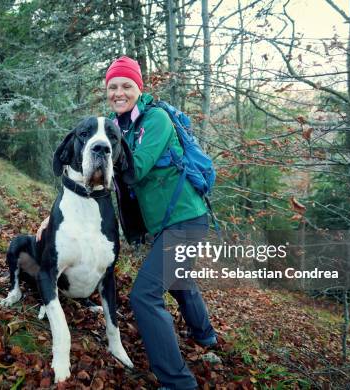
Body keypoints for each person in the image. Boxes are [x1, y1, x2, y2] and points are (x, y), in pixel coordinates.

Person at [37, 56, 218, 389]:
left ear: (139, 88)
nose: (119, 93)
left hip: (187, 220)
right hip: (165, 225)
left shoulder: (158, 120)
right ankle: (206, 338)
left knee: (144, 295)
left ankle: (178, 382)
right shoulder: (115, 126)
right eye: (112, 87)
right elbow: (89, 174)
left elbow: (133, 170)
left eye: (126, 86)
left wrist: (100, 156)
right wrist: (57, 215)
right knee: (178, 278)